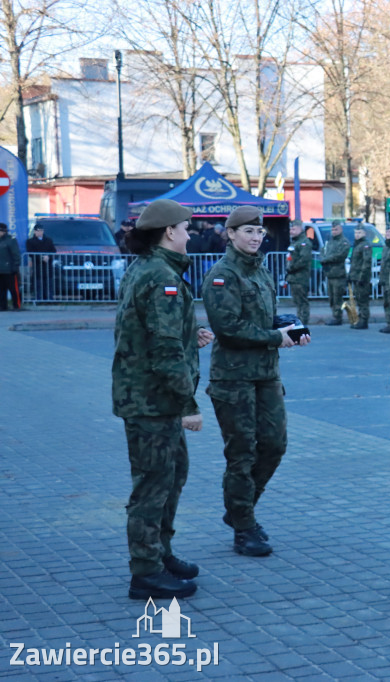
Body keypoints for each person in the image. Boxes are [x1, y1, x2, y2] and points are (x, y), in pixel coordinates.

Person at [112, 199, 212, 600]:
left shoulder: (152, 269)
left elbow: (155, 333)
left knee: (173, 475)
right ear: (170, 231)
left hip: (152, 397)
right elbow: (164, 349)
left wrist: (192, 336)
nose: (190, 235)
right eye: (186, 228)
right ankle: (146, 570)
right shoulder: (161, 277)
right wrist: (189, 404)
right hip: (152, 401)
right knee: (153, 484)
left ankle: (160, 551)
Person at [202, 206, 310, 557]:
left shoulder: (260, 270)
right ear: (230, 234)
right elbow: (229, 329)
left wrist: (287, 325)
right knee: (242, 453)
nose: (255, 237)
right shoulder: (222, 275)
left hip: (266, 374)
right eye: (247, 231)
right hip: (233, 378)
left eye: (259, 232)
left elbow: (262, 318)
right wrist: (277, 337)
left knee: (274, 445)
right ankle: (244, 525)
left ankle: (238, 509)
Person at [320, 220, 351, 326]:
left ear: (340, 229)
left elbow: (340, 255)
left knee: (338, 297)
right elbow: (323, 250)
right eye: (332, 229)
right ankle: (334, 314)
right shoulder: (330, 241)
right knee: (331, 297)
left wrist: (326, 259)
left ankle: (338, 317)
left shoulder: (344, 242)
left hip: (338, 274)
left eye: (336, 229)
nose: (334, 231)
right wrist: (323, 258)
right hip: (330, 274)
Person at [285, 220, 313, 326]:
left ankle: (303, 321)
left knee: (302, 301)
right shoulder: (295, 242)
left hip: (301, 277)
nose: (291, 231)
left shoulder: (304, 242)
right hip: (293, 277)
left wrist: (291, 267)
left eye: (294, 229)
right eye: (290, 229)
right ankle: (299, 319)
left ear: (300, 229)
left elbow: (303, 259)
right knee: (297, 301)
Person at [349, 224, 373, 329]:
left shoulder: (365, 245)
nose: (357, 235)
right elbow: (354, 263)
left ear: (364, 233)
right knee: (358, 299)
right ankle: (360, 319)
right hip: (356, 276)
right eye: (355, 232)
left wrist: (362, 277)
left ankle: (364, 320)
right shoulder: (357, 245)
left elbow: (366, 263)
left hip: (362, 278)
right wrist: (350, 275)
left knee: (363, 300)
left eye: (359, 233)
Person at [25, 224, 55, 302]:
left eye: (41, 231)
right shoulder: (30, 241)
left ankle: (49, 299)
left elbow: (53, 250)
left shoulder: (48, 240)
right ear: (34, 232)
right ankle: (39, 299)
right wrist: (42, 257)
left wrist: (48, 256)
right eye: (38, 231)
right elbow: (31, 253)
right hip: (38, 265)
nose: (39, 232)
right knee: (38, 284)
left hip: (48, 266)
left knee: (48, 283)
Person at [0, 223, 21, 310]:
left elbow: (16, 254)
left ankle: (16, 305)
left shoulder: (11, 240)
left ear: (4, 231)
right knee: (1, 290)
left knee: (13, 289)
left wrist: (16, 265)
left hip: (10, 270)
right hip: (0, 270)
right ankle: (2, 306)